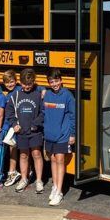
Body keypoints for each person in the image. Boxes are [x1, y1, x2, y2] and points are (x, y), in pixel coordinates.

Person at [2, 70, 47, 187]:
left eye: (29, 84)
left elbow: (43, 112)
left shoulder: (38, 95)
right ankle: (23, 179)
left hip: (34, 131)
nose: (27, 86)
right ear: (20, 82)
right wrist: (14, 124)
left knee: (36, 154)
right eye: (24, 84)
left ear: (33, 83)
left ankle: (38, 180)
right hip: (21, 131)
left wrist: (35, 124)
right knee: (23, 155)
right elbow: (9, 112)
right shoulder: (15, 96)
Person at [42, 69, 75, 206]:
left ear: (61, 81)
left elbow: (73, 116)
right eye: (51, 82)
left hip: (63, 134)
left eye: (56, 81)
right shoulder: (47, 95)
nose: (54, 84)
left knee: (60, 159)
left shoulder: (68, 95)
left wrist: (72, 134)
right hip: (50, 133)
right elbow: (43, 113)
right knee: (53, 159)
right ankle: (55, 186)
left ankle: (59, 191)